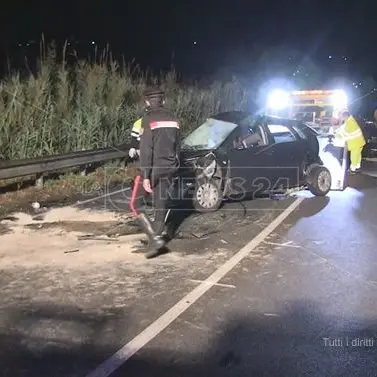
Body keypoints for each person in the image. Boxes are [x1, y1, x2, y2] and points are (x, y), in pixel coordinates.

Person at [129, 88, 181, 258]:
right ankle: (155, 242)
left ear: (147, 102)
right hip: (170, 167)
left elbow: (146, 150)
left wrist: (145, 176)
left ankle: (154, 238)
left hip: (154, 169)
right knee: (161, 206)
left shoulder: (147, 119)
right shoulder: (175, 120)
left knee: (135, 205)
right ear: (163, 101)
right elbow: (177, 147)